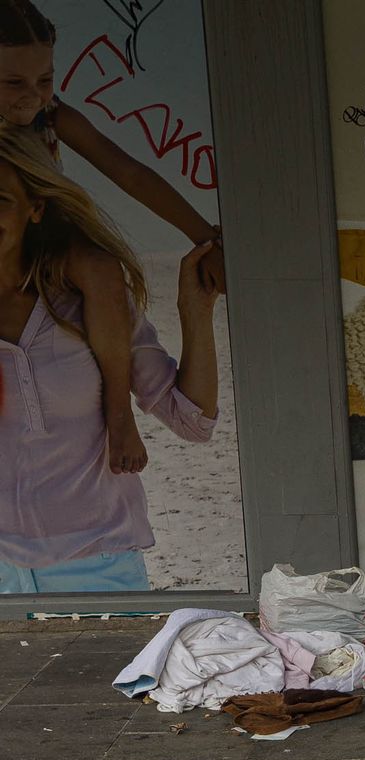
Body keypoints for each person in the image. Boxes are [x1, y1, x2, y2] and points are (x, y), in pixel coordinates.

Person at [1, 0, 227, 481]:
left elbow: (128, 171)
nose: (33, 96)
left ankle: (119, 416)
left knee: (102, 270)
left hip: (52, 245)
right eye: (13, 83)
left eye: (45, 79)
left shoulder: (52, 117)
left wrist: (205, 237)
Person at [0, 127, 221, 592]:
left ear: (35, 209)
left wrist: (194, 311)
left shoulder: (89, 300)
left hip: (97, 563)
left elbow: (192, 421)